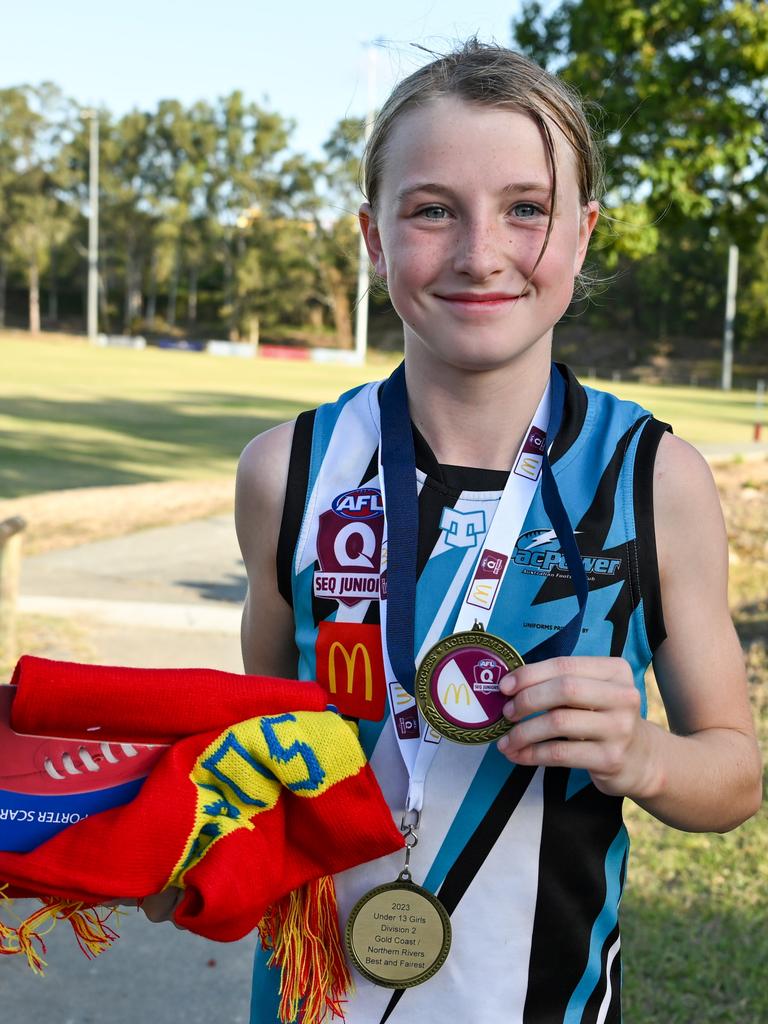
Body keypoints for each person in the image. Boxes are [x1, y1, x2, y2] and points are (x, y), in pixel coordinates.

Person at [232, 40, 761, 1024]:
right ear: (374, 240)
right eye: (433, 209)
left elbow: (732, 774)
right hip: (313, 1001)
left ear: (583, 234)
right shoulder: (287, 471)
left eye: (527, 208)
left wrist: (640, 753)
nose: (482, 251)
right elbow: (262, 742)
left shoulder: (655, 477)